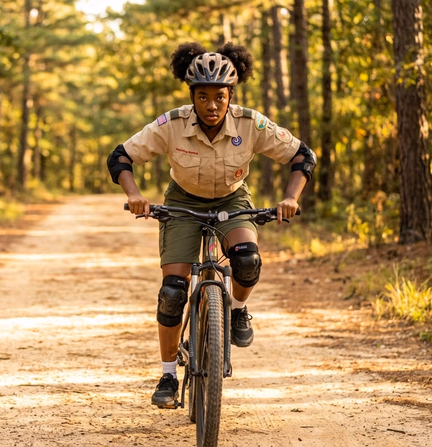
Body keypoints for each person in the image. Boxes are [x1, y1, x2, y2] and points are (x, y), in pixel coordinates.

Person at [106, 41, 316, 408]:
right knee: (173, 292)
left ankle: (236, 309)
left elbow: (302, 156)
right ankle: (168, 374)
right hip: (183, 201)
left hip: (232, 199)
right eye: (203, 97)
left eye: (220, 97)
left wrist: (291, 198)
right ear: (192, 97)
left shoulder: (251, 124)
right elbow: (120, 156)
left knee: (247, 261)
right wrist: (135, 194)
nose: (212, 105)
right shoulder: (171, 125)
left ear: (230, 95)